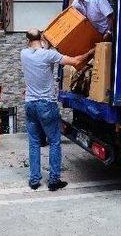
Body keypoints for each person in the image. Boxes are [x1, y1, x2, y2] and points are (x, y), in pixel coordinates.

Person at [21, 28, 94, 191]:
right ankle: (54, 180)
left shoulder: (23, 54)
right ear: (41, 38)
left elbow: (36, 49)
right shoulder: (49, 55)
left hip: (30, 104)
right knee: (54, 141)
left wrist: (43, 42)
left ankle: (34, 180)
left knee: (34, 143)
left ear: (27, 40)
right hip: (46, 104)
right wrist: (93, 50)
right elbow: (76, 62)